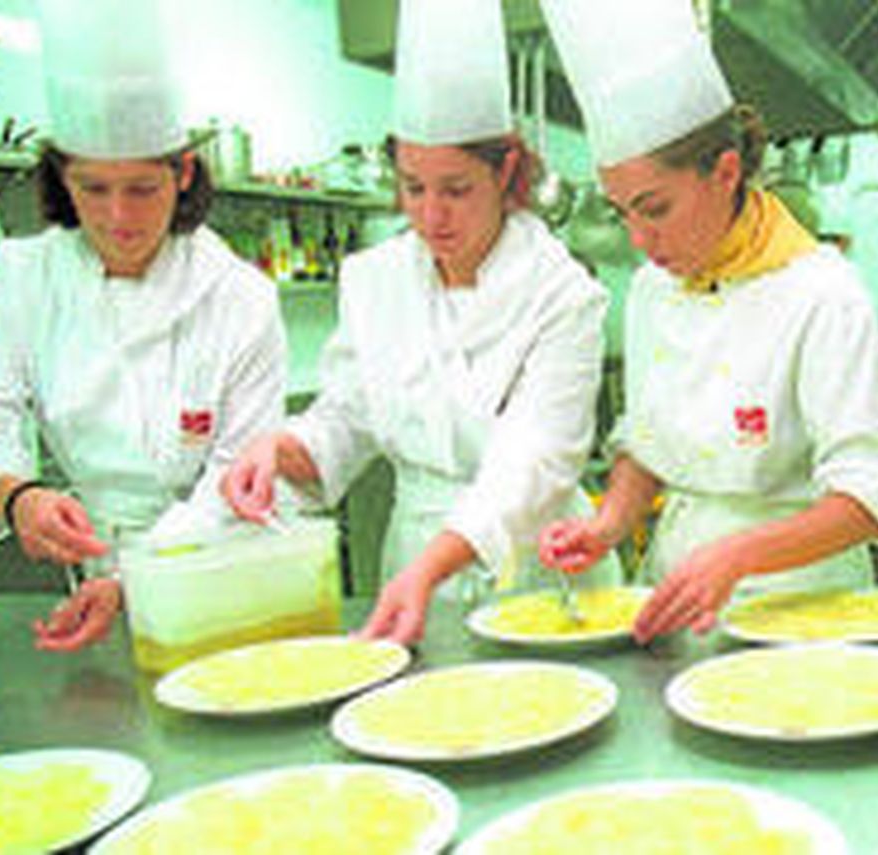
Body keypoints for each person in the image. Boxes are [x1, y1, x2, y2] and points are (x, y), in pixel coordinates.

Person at [221, 0, 614, 645]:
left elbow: (535, 459)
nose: (432, 216)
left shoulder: (563, 293)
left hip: (539, 573)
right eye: (413, 187)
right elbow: (346, 420)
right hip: (411, 573)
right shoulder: (374, 281)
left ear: (506, 173)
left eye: (456, 189)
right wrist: (278, 449)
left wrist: (436, 562)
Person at [536, 0, 878, 644]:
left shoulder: (822, 293)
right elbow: (649, 441)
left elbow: (875, 499)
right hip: (676, 594)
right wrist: (608, 524)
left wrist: (738, 554)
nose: (639, 241)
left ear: (726, 171)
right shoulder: (655, 288)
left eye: (654, 209)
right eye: (622, 211)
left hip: (808, 607)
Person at [0, 0, 286, 651]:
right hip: (90, 581)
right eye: (93, 189)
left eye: (142, 189)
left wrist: (136, 577)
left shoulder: (240, 296)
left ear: (182, 174)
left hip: (218, 569)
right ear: (63, 178)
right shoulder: (25, 277)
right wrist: (19, 498)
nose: (118, 217)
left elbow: (235, 474)